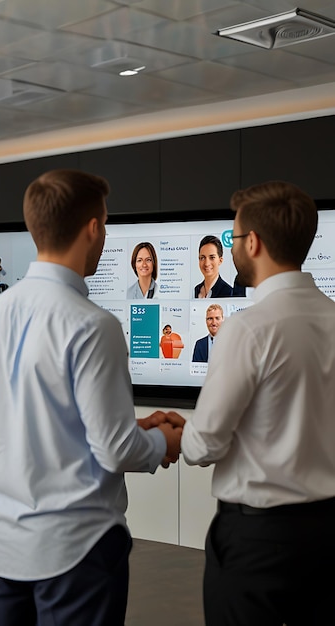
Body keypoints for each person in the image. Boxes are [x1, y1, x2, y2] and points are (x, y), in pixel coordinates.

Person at [0, 169, 183, 626]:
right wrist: (164, 442)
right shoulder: (93, 325)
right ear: (93, 228)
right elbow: (114, 448)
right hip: (75, 550)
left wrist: (132, 428)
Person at [180, 181, 335, 626]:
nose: (230, 249)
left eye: (231, 239)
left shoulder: (247, 330)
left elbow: (202, 445)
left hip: (259, 541)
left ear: (255, 243)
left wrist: (180, 433)